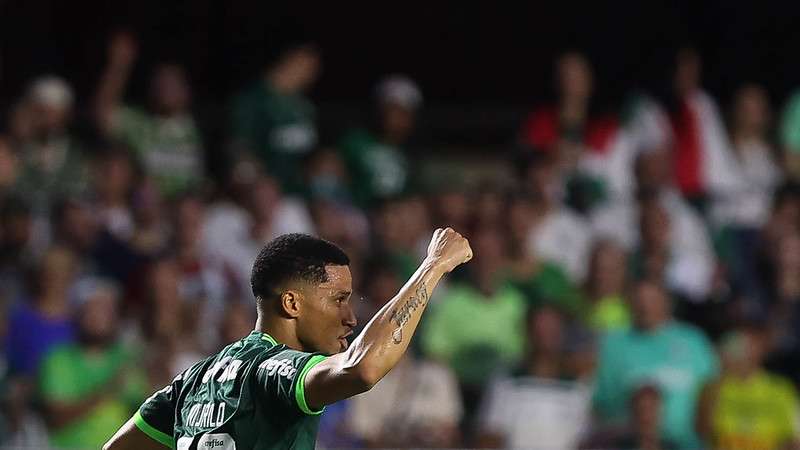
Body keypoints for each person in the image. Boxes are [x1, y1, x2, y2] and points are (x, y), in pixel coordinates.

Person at [104, 228, 472, 450]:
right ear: (292, 303)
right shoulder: (275, 370)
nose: (351, 318)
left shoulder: (195, 380)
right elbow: (364, 368)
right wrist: (433, 266)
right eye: (339, 299)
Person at [593, 279, 718, 449]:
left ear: (667, 302)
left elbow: (711, 391)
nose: (646, 308)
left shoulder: (693, 341)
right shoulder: (615, 344)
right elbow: (605, 403)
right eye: (640, 301)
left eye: (652, 300)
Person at [39, 277, 147, 449]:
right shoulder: (59, 359)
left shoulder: (127, 357)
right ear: (79, 314)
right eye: (93, 310)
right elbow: (57, 418)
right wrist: (108, 391)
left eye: (107, 310)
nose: (100, 318)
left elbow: (143, 409)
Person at [95, 31, 204, 197]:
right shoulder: (139, 122)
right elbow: (102, 114)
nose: (166, 89)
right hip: (145, 209)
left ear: (186, 92)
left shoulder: (200, 128)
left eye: (173, 83)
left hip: (188, 211)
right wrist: (119, 66)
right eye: (161, 83)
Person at [230, 42, 321, 194]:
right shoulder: (252, 102)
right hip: (263, 197)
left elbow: (310, 154)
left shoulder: (305, 107)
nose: (311, 74)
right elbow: (240, 150)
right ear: (287, 60)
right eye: (306, 65)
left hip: (300, 197)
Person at [697, 326, 800, 450]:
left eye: (749, 346)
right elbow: (702, 431)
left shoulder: (781, 389)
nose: (744, 352)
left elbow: (794, 440)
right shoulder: (713, 387)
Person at [339, 75, 422, 207]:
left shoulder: (411, 152)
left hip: (398, 215)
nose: (395, 117)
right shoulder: (356, 142)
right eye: (391, 109)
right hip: (358, 213)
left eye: (404, 111)